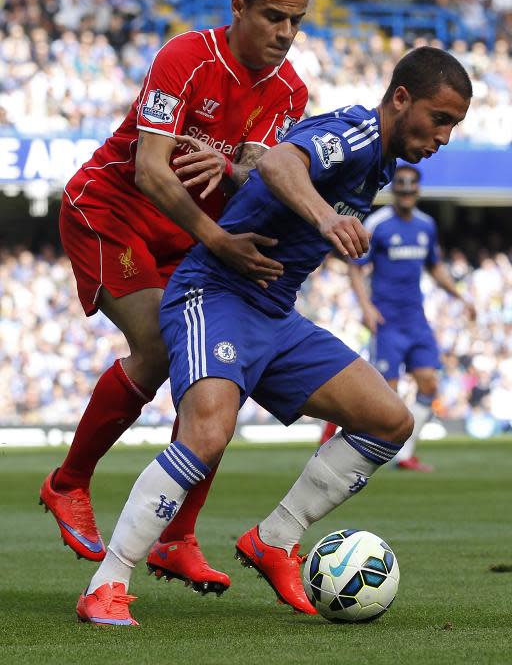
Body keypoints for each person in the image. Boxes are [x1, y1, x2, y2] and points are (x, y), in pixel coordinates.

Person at [75, 46, 472, 626]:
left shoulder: (380, 160)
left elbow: (265, 171)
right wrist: (327, 218)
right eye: (440, 119)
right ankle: (106, 584)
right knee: (207, 433)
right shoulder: (361, 132)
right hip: (214, 293)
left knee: (390, 421)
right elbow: (285, 163)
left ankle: (275, 537)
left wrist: (237, 170)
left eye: (454, 126)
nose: (444, 136)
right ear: (402, 98)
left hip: (274, 313)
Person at [39, 0, 310, 595]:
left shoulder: (291, 92)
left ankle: (176, 537)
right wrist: (219, 234)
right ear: (237, 6)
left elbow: (257, 187)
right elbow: (150, 170)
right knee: (162, 344)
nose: (284, 34)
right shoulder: (186, 58)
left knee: (221, 367)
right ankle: (69, 481)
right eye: (272, 16)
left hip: (186, 237)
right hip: (112, 213)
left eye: (296, 21)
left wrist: (241, 174)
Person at [320, 166, 476, 469]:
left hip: (416, 320)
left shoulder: (426, 226)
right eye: (400, 186)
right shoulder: (378, 224)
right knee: (385, 396)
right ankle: (334, 428)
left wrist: (460, 296)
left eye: (410, 186)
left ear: (417, 190)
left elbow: (436, 266)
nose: (405, 191)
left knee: (429, 383)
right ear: (394, 190)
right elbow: (355, 265)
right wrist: (365, 307)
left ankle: (404, 455)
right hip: (386, 321)